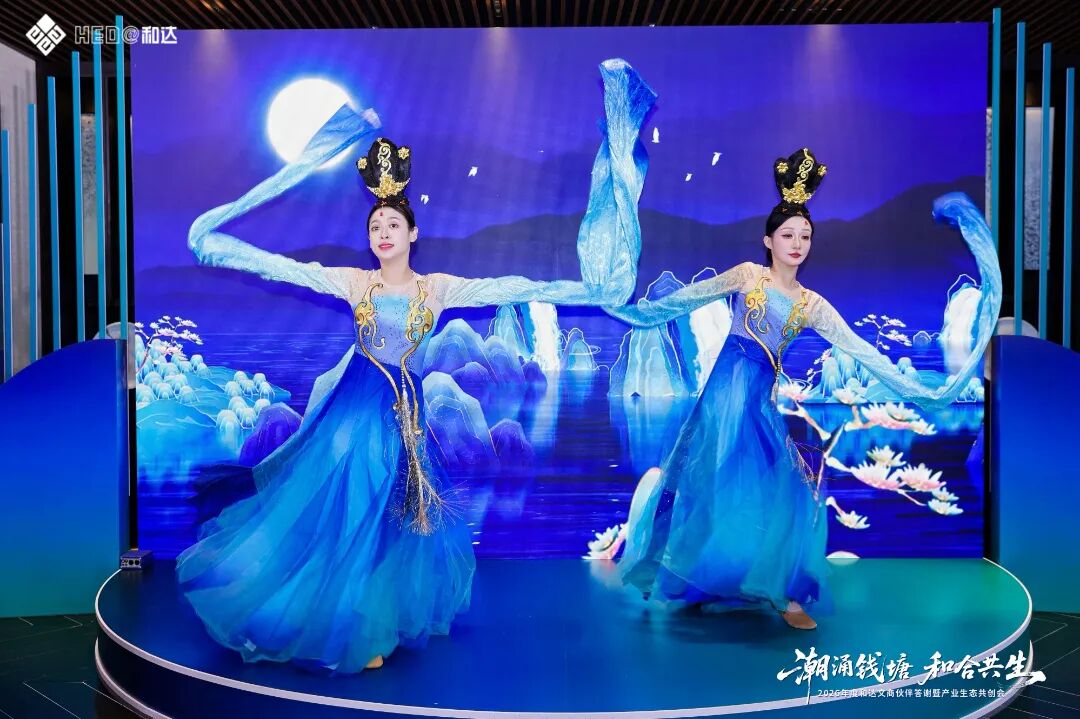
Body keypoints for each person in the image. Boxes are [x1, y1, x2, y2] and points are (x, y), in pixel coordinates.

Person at [176, 59, 657, 672]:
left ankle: (373, 614)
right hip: (356, 407)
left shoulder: (438, 288)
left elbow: (511, 285)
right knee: (354, 507)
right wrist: (227, 250)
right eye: (375, 225)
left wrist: (582, 288)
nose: (383, 232)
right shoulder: (355, 282)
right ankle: (343, 620)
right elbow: (285, 268)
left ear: (413, 232)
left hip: (405, 411)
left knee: (395, 515)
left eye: (393, 224)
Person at [589, 148, 1001, 630]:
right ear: (768, 240)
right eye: (788, 234)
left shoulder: (811, 305)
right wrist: (627, 309)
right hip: (720, 406)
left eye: (805, 235)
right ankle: (693, 582)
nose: (797, 243)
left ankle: (782, 593)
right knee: (702, 489)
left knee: (789, 488)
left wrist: (922, 389)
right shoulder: (748, 276)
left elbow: (864, 352)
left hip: (757, 406)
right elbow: (679, 302)